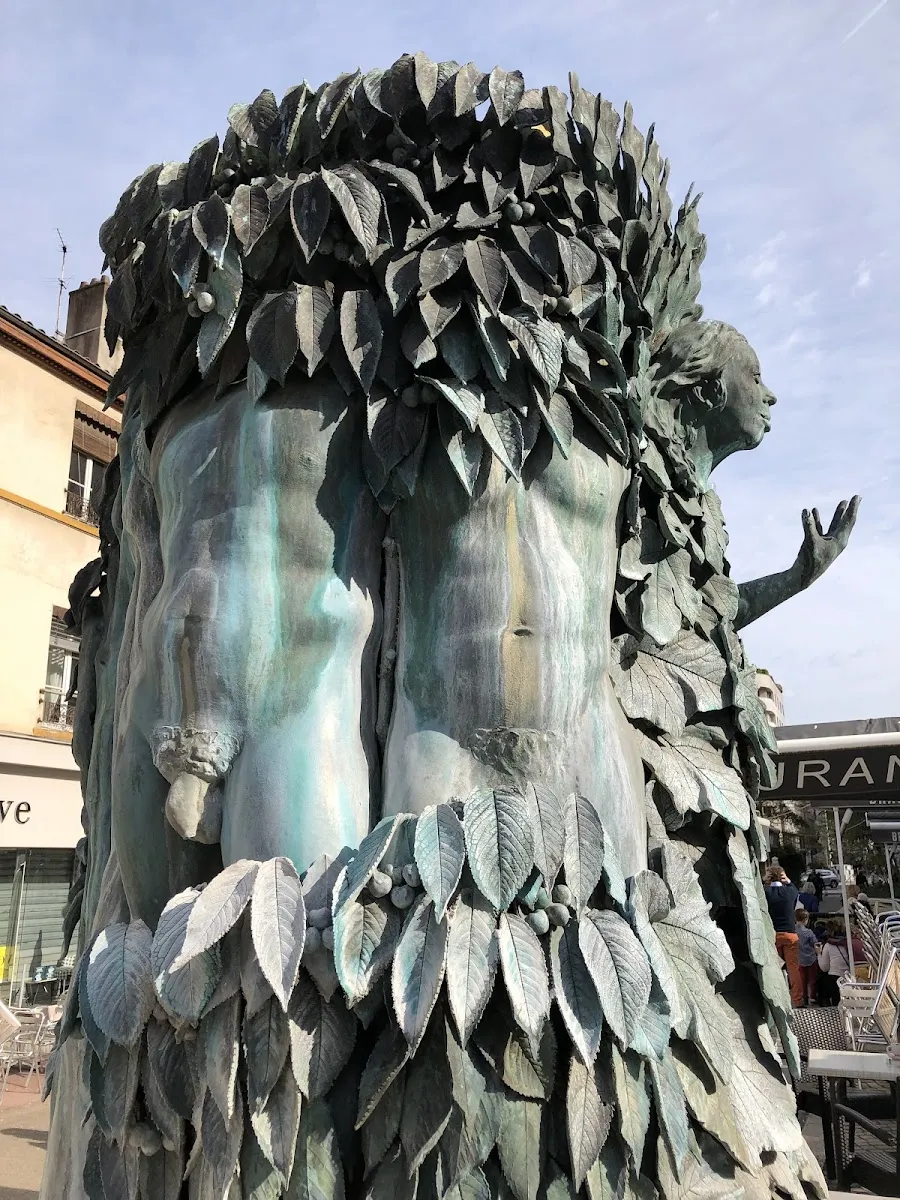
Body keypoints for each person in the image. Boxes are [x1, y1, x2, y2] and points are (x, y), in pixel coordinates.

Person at [764, 865, 803, 1006]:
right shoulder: (790, 892)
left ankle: (777, 1000)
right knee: (793, 969)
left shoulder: (765, 892)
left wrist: (765, 882)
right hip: (790, 934)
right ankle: (797, 1000)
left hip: (772, 935)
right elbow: (793, 886)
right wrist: (787, 879)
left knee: (774, 967)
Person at [818, 921, 853, 1005]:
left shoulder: (828, 945)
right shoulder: (849, 943)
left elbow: (824, 967)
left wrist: (818, 953)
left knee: (821, 981)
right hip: (849, 978)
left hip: (834, 979)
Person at [795, 909, 819, 1006]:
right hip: (811, 958)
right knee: (813, 979)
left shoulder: (793, 930)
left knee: (802, 980)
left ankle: (804, 997)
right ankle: (813, 997)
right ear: (806, 919)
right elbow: (815, 943)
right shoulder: (808, 932)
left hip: (799, 959)